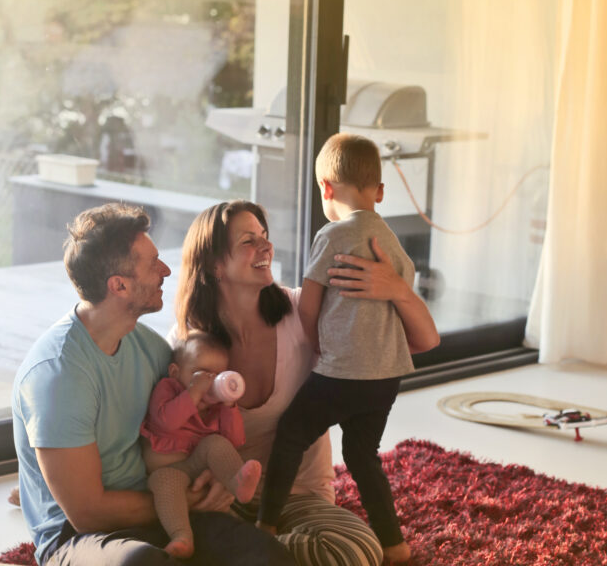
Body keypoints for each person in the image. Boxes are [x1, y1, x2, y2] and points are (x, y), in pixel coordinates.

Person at [12, 203, 296, 566]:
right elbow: (88, 513)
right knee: (144, 563)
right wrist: (185, 501)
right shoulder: (58, 375)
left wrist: (210, 482)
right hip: (78, 536)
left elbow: (188, 429)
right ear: (119, 285)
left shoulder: (151, 349)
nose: (166, 270)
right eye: (152, 264)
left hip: (160, 507)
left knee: (267, 556)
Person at [173, 197, 439, 566]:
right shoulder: (190, 346)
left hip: (301, 498)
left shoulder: (305, 313)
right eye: (248, 240)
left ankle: (253, 555)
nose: (265, 246)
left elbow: (423, 340)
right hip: (225, 501)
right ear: (215, 264)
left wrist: (398, 289)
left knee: (356, 551)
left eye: (265, 236)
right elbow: (176, 436)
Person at [255, 133, 440, 564]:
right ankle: (395, 545)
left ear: (326, 188)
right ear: (379, 191)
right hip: (386, 377)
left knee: (291, 437)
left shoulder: (333, 235)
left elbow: (311, 303)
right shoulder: (393, 244)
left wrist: (318, 347)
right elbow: (403, 291)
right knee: (362, 454)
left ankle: (265, 523)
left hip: (341, 374)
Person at [141, 331, 262, 559]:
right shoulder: (168, 388)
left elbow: (234, 440)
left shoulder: (216, 407)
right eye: (202, 373)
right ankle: (181, 537)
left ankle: (239, 484)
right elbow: (167, 422)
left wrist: (229, 405)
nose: (210, 382)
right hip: (168, 469)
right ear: (175, 372)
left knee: (216, 443)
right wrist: (192, 392)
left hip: (197, 465)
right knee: (164, 484)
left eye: (218, 376)